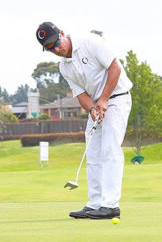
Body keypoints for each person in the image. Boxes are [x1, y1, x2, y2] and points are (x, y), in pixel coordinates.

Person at [35, 22, 133, 219]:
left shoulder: (89, 41)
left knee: (110, 149)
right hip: (98, 104)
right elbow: (80, 93)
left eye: (56, 43)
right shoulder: (64, 67)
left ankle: (111, 205)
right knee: (93, 151)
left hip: (118, 98)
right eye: (50, 48)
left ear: (62, 34)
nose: (56, 49)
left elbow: (115, 67)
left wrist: (104, 99)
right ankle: (96, 203)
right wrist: (91, 109)